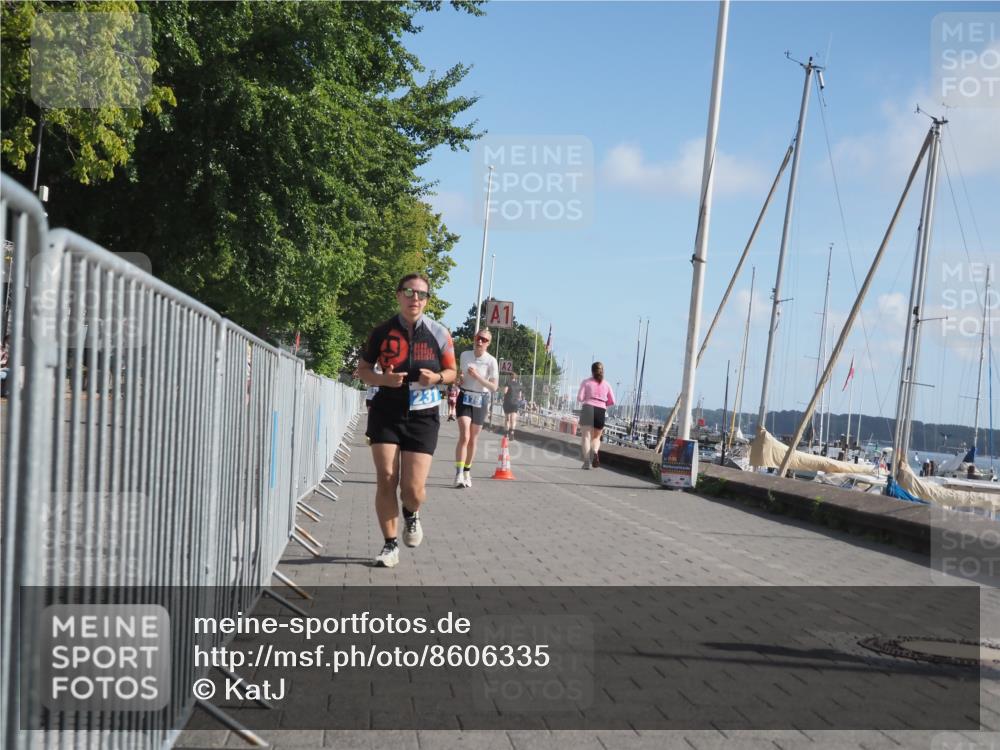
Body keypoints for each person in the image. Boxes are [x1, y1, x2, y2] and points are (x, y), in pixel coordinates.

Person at [356, 274, 457, 568]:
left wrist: (437, 377)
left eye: (422, 295)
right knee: (386, 477)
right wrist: (383, 380)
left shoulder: (439, 333)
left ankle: (411, 514)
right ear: (399, 295)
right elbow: (362, 369)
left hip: (423, 415)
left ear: (427, 300)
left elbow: (452, 373)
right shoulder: (382, 332)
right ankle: (390, 545)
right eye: (409, 292)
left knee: (413, 490)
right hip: (386, 410)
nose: (415, 299)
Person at [453, 328, 499, 488]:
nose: (480, 341)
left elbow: (494, 387)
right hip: (465, 396)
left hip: (481, 399)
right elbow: (459, 378)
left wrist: (478, 377)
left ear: (488, 343)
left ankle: (467, 471)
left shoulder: (491, 361)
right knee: (464, 435)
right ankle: (458, 473)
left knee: (473, 439)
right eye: (478, 338)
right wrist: (458, 380)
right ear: (474, 338)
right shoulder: (465, 355)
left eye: (484, 340)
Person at [577, 361, 616, 470]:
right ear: (602, 371)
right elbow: (612, 400)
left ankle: (586, 462)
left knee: (586, 437)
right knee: (596, 437)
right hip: (600, 410)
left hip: (588, 408)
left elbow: (579, 398)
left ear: (592, 371)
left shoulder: (586, 382)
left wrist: (587, 399)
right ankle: (594, 452)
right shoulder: (607, 384)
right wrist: (603, 404)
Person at [502, 372, 522, 439]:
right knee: (513, 419)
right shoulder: (519, 385)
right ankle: (512, 433)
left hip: (508, 402)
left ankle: (506, 434)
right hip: (515, 403)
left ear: (510, 377)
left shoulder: (508, 383)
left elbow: (505, 391)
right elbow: (520, 396)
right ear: (515, 377)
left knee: (507, 419)